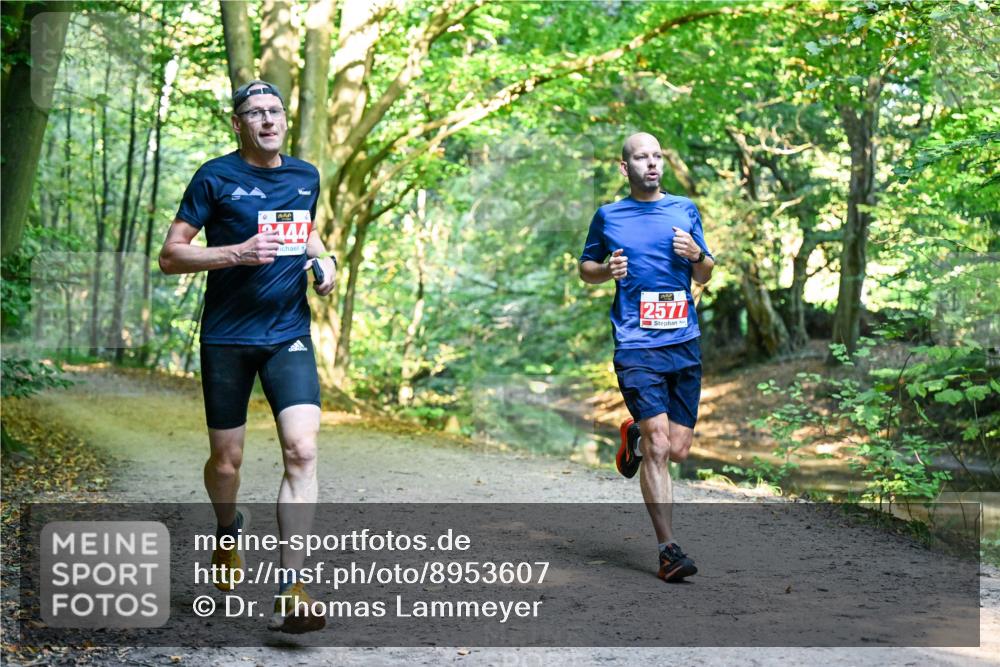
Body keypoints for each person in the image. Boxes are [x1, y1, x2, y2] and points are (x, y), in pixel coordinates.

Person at [158, 80, 336, 633]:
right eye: (255, 113)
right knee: (226, 463)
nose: (267, 120)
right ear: (237, 124)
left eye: (274, 111)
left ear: (285, 118)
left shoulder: (305, 175)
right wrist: (235, 253)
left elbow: (306, 232)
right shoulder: (214, 177)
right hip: (227, 337)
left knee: (302, 450)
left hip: (287, 333)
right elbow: (171, 256)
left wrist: (324, 260)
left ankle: (290, 588)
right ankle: (227, 528)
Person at [579, 132, 714, 582]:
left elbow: (705, 273)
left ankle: (633, 437)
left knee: (677, 450)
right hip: (636, 343)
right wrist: (607, 270)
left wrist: (697, 254)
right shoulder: (609, 216)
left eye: (657, 156)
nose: (652, 163)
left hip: (683, 341)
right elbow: (586, 269)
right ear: (625, 168)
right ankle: (668, 550)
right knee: (660, 445)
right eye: (641, 157)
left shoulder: (684, 209)